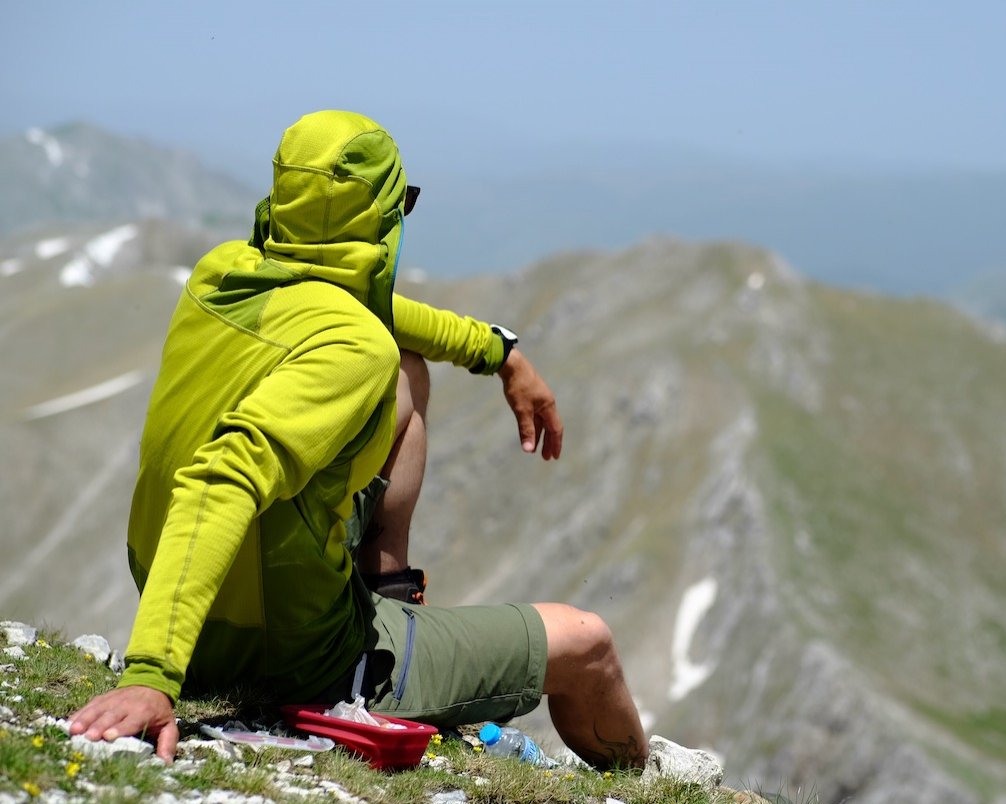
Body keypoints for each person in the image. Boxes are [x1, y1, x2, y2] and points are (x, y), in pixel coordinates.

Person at [69, 110, 648, 770]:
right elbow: (222, 477)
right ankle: (646, 786)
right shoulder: (354, 348)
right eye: (401, 203)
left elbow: (377, 312)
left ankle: (386, 591)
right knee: (588, 643)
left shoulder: (219, 275)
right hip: (292, 659)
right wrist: (150, 674)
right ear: (380, 219)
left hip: (198, 618)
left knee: (408, 371)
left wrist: (499, 351)